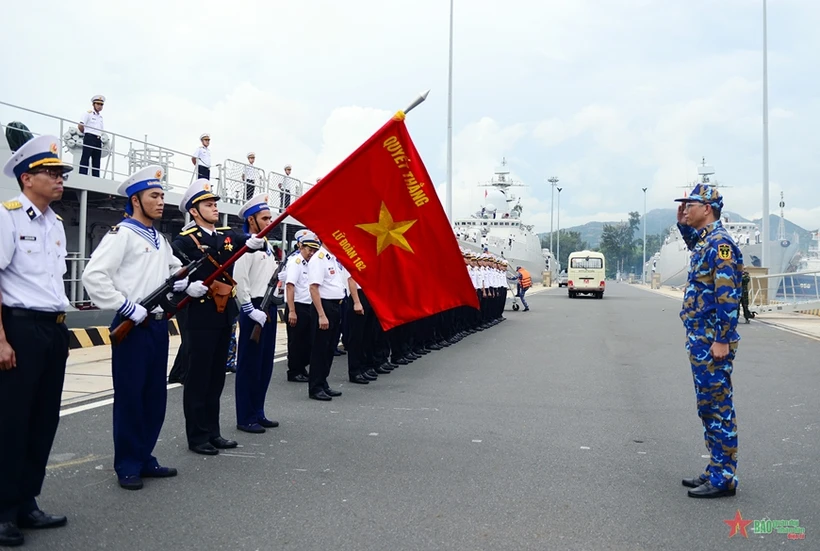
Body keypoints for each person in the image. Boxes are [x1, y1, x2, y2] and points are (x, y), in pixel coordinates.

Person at [82, 166, 196, 490]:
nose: (161, 202)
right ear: (136, 200)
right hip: (132, 326)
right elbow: (94, 275)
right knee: (131, 397)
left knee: (154, 397)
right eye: (154, 196)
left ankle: (145, 456)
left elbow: (173, 269)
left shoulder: (159, 238)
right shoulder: (123, 234)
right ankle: (128, 464)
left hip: (157, 325)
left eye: (162, 196)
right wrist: (125, 305)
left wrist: (185, 282)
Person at [0, 135, 74, 546]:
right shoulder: (7, 217)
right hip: (20, 328)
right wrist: (1, 339)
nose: (60, 179)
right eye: (51, 173)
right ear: (27, 178)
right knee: (11, 421)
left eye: (61, 173)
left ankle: (27, 501)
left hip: (53, 328)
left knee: (43, 419)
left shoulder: (55, 223)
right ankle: (4, 511)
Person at [172, 179, 266, 455]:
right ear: (194, 211)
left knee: (216, 377)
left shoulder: (226, 236)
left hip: (224, 314)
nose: (214, 208)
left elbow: (246, 242)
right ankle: (197, 436)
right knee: (198, 377)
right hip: (199, 315)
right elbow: (174, 274)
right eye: (208, 204)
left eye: (214, 203)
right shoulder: (185, 241)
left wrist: (253, 241)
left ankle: (213, 431)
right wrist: (187, 284)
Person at [674, 183, 742, 499]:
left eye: (692, 204)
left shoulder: (721, 245)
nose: (687, 208)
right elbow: (694, 245)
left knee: (718, 406)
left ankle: (724, 477)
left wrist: (722, 339)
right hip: (701, 337)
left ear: (708, 208)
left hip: (713, 340)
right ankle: (716, 468)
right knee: (707, 405)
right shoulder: (705, 242)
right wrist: (682, 223)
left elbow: (727, 296)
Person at [233, 193, 280, 434]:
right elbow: (240, 279)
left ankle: (258, 411)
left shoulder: (267, 245)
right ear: (252, 220)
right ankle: (245, 416)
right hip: (254, 309)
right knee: (249, 365)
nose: (270, 222)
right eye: (265, 218)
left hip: (268, 307)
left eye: (271, 218)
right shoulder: (247, 245)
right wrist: (249, 309)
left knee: (264, 365)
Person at [306, 245, 347, 401]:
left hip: (335, 305)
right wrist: (322, 315)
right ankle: (315, 387)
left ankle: (323, 382)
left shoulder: (332, 259)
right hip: (324, 306)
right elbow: (314, 288)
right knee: (320, 348)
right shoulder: (319, 259)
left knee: (330, 348)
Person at [284, 232, 319, 383]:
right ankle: (294, 371)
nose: (311, 253)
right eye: (308, 249)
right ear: (301, 247)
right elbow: (290, 286)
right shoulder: (296, 262)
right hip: (297, 306)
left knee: (306, 341)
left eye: (313, 250)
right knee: (296, 342)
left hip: (307, 306)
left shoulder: (308, 263)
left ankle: (301, 368)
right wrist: (292, 311)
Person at [78, 95, 105, 177]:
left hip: (98, 139)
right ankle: (82, 175)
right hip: (89, 137)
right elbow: (80, 125)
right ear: (93, 104)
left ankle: (96, 177)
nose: (100, 106)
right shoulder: (88, 114)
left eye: (101, 104)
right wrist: (86, 134)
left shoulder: (100, 117)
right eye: (98, 104)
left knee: (97, 160)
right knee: (86, 157)